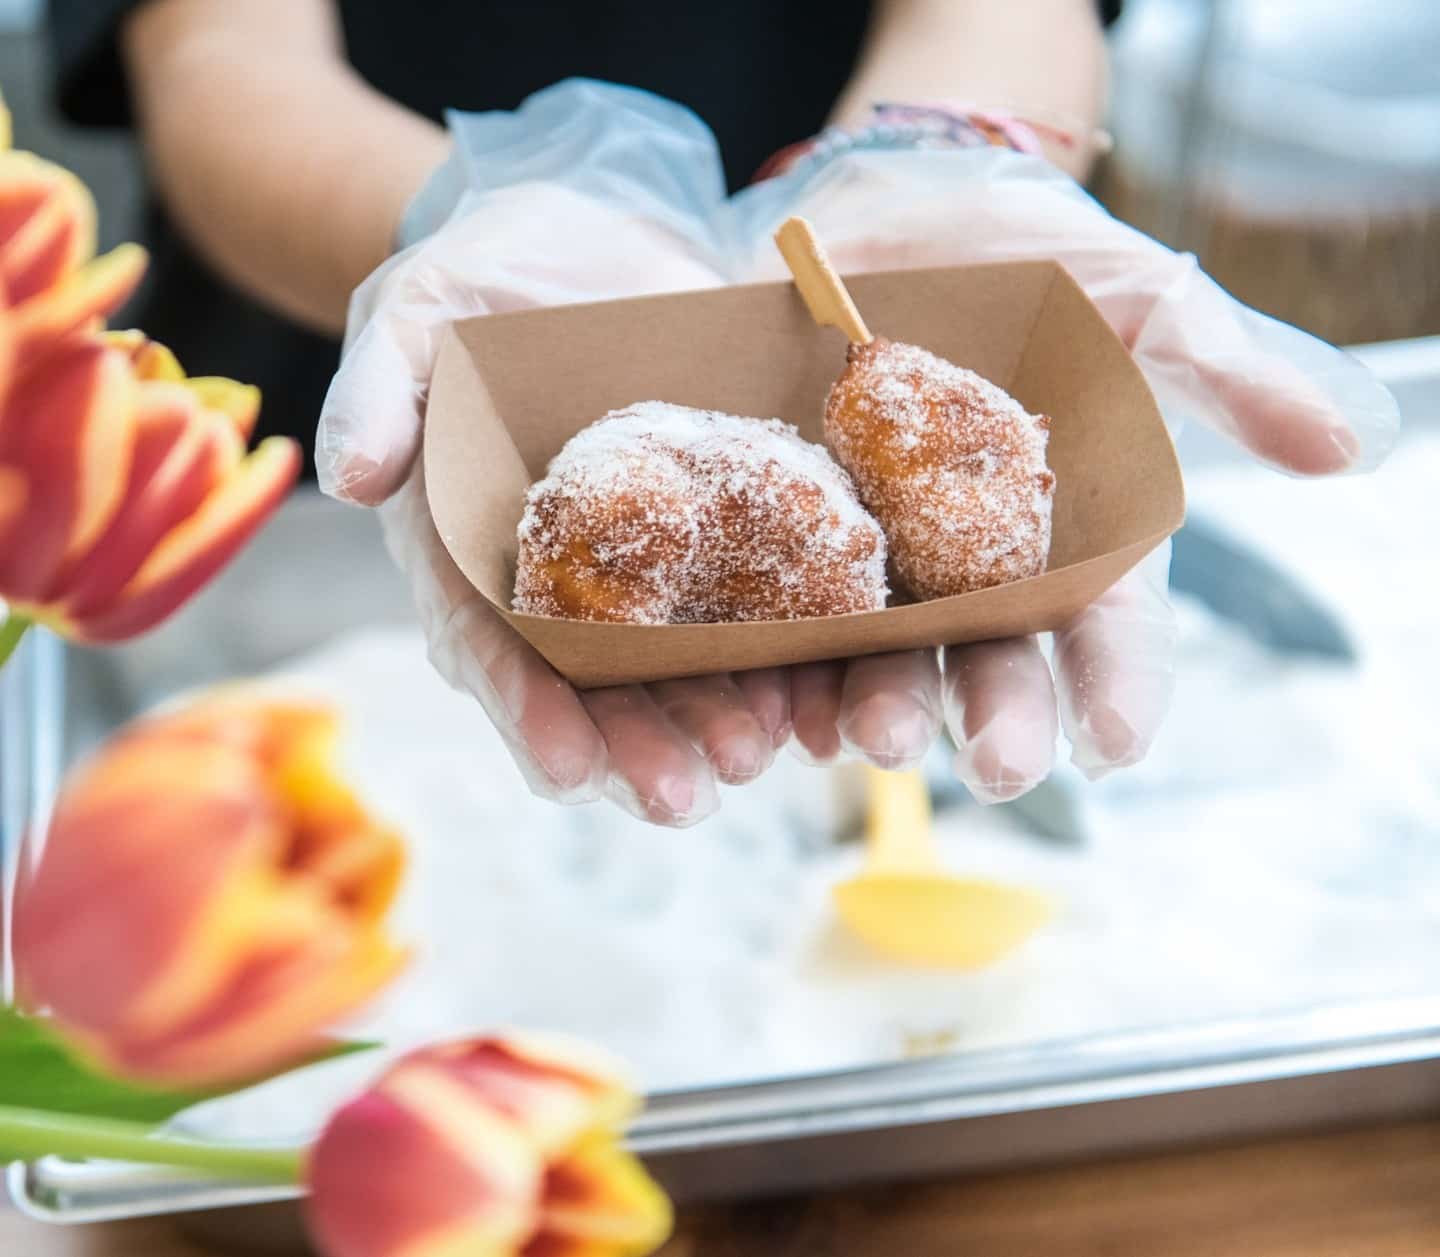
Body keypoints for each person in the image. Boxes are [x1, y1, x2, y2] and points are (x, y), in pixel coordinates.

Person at [46, 0, 1395, 828]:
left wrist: (937, 147)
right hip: (367, 395)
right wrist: (453, 223)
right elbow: (212, 45)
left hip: (874, 264)